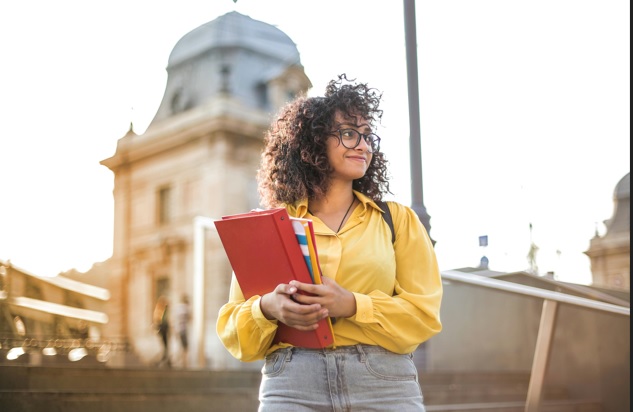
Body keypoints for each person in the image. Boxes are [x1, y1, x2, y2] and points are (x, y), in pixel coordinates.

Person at [216, 74, 443, 411]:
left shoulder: (397, 220)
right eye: (349, 133)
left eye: (367, 136)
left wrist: (352, 304)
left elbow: (424, 316)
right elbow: (236, 331)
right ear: (312, 143)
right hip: (292, 383)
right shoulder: (271, 228)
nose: (363, 145)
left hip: (383, 383)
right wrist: (268, 308)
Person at [173, 294, 191, 368]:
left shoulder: (177, 308)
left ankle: (181, 362)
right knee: (185, 347)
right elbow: (189, 317)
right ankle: (184, 363)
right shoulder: (184, 308)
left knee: (180, 346)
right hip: (183, 329)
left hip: (178, 329)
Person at [153, 295, 170, 367]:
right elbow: (158, 320)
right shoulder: (160, 310)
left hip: (164, 328)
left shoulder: (163, 310)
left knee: (165, 345)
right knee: (164, 344)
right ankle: (163, 358)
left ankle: (165, 358)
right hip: (162, 328)